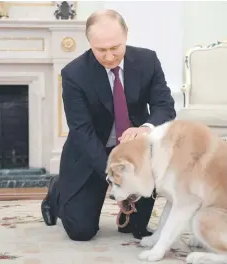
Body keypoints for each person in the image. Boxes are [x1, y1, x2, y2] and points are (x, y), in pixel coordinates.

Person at [41, 9, 176, 241]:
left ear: (126, 36)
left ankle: (130, 212)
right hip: (91, 150)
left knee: (135, 229)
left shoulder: (148, 61)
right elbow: (81, 131)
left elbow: (165, 107)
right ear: (89, 43)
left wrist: (145, 128)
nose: (110, 56)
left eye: (115, 47)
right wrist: (115, 176)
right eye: (101, 50)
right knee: (81, 231)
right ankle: (57, 191)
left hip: (136, 150)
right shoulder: (74, 74)